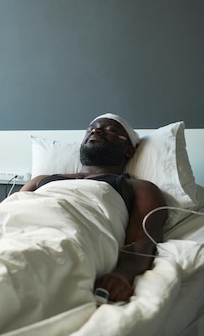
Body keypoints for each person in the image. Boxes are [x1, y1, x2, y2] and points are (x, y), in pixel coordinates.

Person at [20, 113, 167, 303]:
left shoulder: (139, 188)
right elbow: (7, 209)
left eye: (110, 129)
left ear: (129, 150)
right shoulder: (40, 180)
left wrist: (123, 274)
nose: (96, 130)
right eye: (91, 129)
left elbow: (143, 240)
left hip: (64, 238)